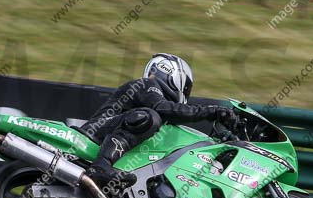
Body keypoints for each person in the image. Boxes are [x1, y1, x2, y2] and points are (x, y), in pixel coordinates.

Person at [77, 53, 239, 189]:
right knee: (148, 116)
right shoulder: (147, 84)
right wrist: (212, 111)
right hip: (93, 134)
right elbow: (164, 108)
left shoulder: (156, 105)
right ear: (173, 75)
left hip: (107, 135)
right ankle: (101, 166)